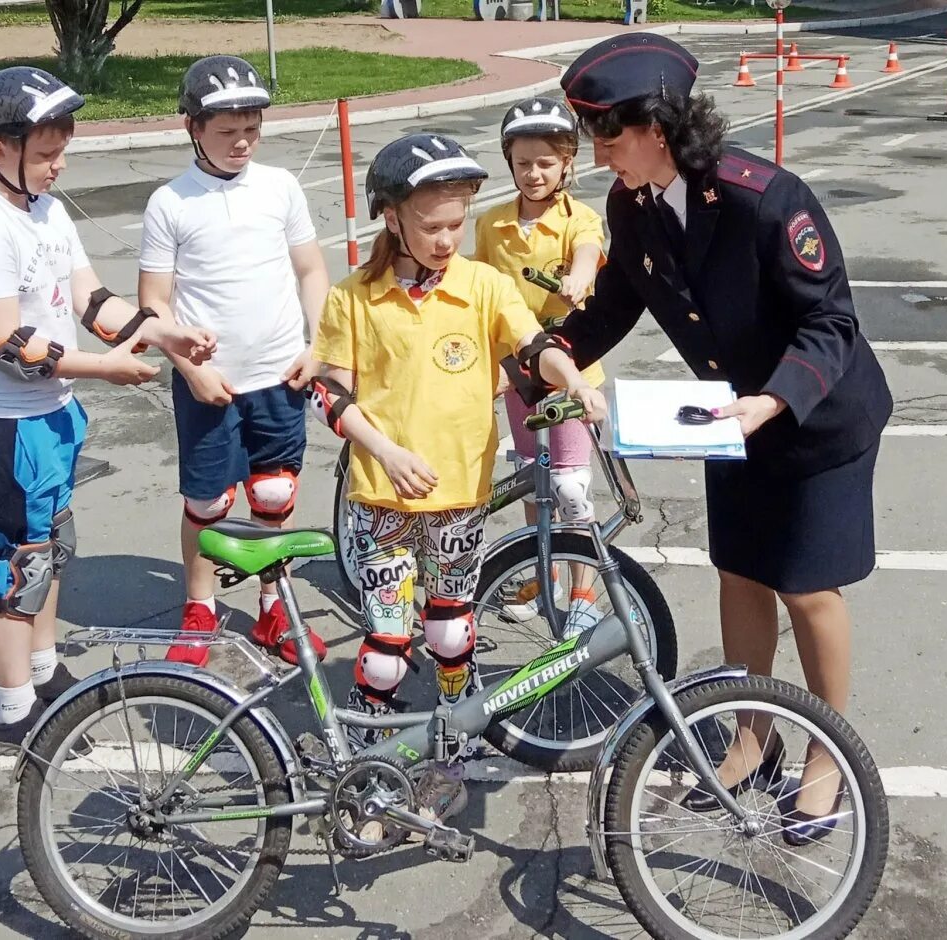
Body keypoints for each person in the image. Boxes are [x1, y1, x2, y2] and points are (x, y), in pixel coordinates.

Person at [555, 34, 893, 845]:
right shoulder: (631, 205)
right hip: (730, 418)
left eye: (609, 135)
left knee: (808, 589)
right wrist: (547, 355)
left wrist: (772, 403)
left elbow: (830, 321)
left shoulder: (764, 199)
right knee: (739, 572)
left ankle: (825, 758)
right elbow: (613, 306)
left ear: (659, 127)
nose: (598, 156)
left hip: (813, 418)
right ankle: (753, 734)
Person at [308, 133, 606, 827]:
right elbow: (328, 395)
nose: (447, 239)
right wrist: (386, 451)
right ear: (392, 218)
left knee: (451, 634)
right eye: (433, 225)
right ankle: (368, 761)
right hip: (383, 499)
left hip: (460, 500)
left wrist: (575, 385)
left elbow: (535, 347)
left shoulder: (483, 284)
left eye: (455, 224)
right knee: (384, 648)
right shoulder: (355, 297)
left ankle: (451, 751)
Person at [0, 66, 215, 754]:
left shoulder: (44, 209)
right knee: (21, 561)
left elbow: (91, 302)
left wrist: (158, 330)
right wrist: (107, 368)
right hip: (2, 421)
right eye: (47, 153)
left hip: (51, 412)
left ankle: (40, 666)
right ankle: (12, 714)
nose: (60, 165)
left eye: (64, 149)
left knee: (55, 544)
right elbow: (8, 345)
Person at [138, 55, 331, 669]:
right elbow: (152, 304)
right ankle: (200, 608)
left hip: (280, 373)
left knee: (273, 493)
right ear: (191, 127)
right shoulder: (171, 202)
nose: (242, 141)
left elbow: (310, 270)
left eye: (252, 127)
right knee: (209, 503)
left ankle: (274, 604)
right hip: (209, 381)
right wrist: (188, 365)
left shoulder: (280, 187)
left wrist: (318, 345)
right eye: (227, 131)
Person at [473, 96, 607, 633]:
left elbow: (589, 251)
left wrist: (577, 276)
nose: (534, 173)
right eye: (524, 162)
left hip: (571, 367)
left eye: (546, 162)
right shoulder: (493, 223)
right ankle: (544, 575)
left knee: (572, 487)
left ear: (567, 163)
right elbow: (477, 285)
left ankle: (584, 589)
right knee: (536, 481)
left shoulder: (581, 220)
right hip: (519, 375)